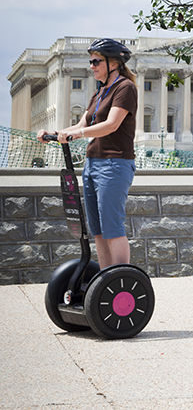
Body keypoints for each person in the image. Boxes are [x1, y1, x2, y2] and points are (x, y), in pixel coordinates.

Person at [38, 39, 138, 269]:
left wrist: (79, 134)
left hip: (115, 163)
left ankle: (120, 280)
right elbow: (82, 123)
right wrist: (55, 133)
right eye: (90, 61)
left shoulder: (125, 88)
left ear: (113, 63)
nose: (91, 66)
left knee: (112, 228)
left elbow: (111, 125)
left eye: (96, 61)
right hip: (93, 164)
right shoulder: (99, 93)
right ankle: (105, 280)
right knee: (99, 232)